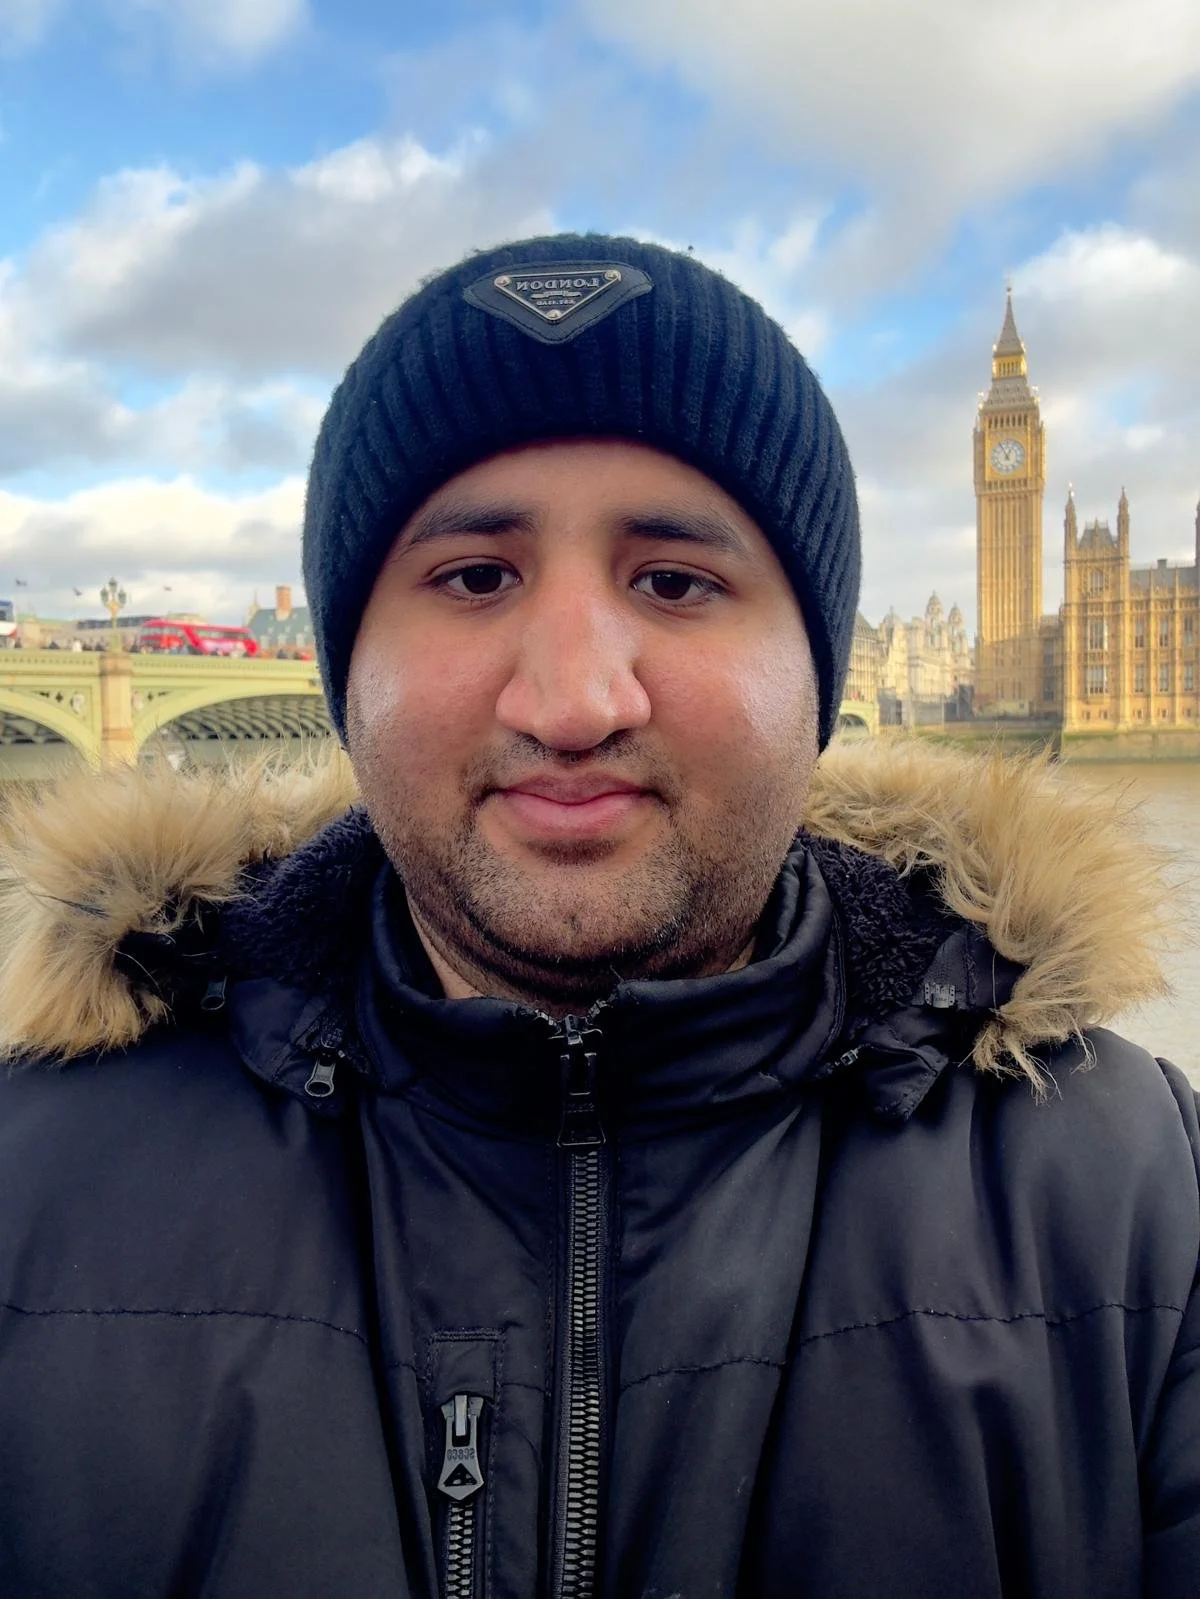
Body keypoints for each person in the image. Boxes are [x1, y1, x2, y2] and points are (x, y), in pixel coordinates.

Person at [0, 234, 1195, 1599]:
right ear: (346, 675)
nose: (575, 702)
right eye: (475, 577)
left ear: (819, 677)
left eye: (676, 582)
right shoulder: (27, 1186)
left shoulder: (1143, 1210)